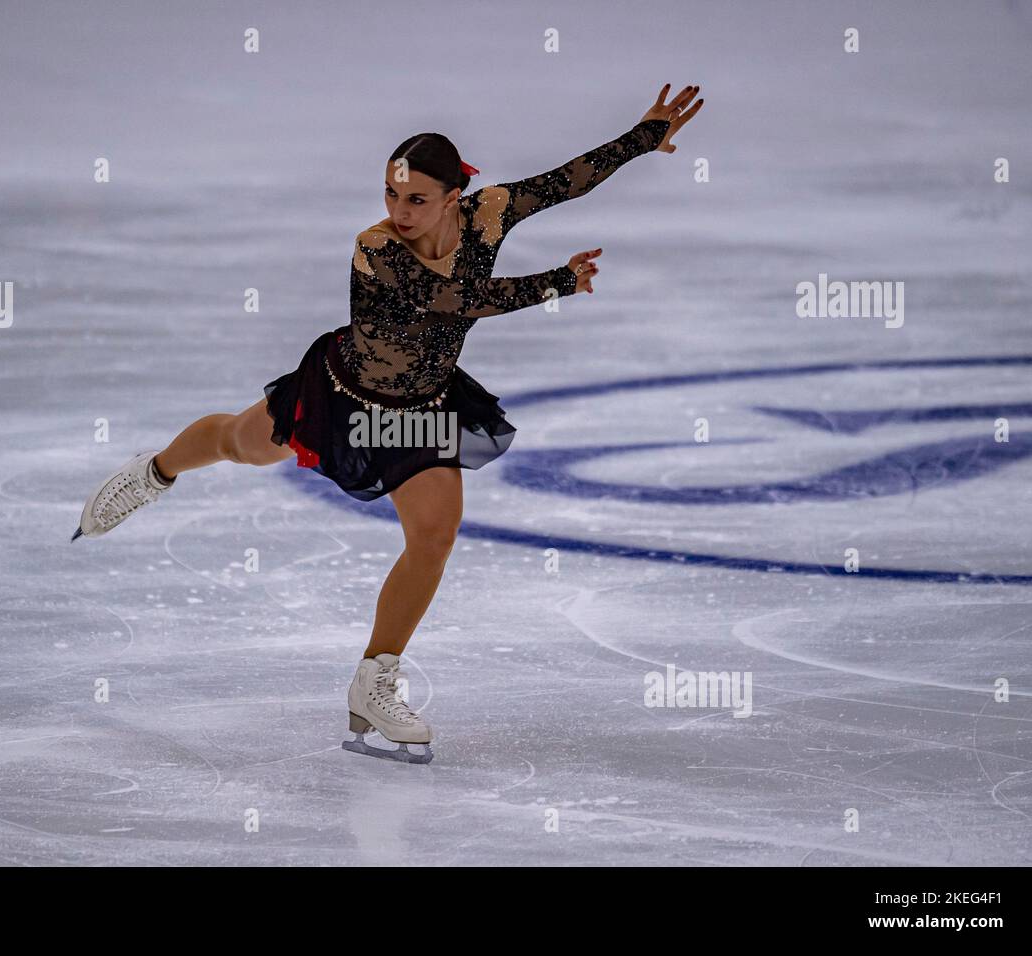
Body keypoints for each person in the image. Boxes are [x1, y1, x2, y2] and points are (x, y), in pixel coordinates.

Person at [73, 84, 703, 764]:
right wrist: (558, 282)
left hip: (424, 409)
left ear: (454, 194)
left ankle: (375, 679)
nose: (399, 212)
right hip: (342, 396)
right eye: (391, 195)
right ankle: (154, 472)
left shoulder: (490, 213)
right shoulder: (375, 249)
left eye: (416, 199)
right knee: (239, 443)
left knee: (433, 537)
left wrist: (644, 137)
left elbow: (566, 181)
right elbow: (460, 300)